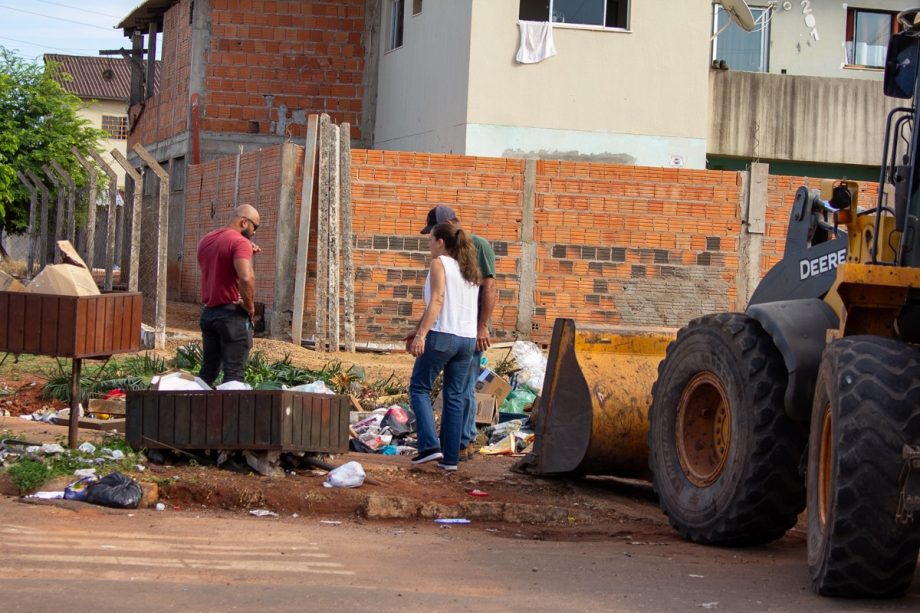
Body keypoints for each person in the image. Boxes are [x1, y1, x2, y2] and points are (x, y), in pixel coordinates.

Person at [420, 205, 497, 461]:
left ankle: (460, 443)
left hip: (462, 331)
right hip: (463, 333)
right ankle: (451, 454)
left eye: (434, 233)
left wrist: (482, 326)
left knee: (454, 390)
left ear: (448, 226)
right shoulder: (452, 259)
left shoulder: (469, 250)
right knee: (456, 392)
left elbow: (489, 287)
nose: (432, 239)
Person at [406, 222, 482, 471]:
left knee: (419, 387)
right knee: (455, 397)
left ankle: (428, 446)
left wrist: (422, 336)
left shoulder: (440, 264)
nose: (429, 246)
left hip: (442, 336)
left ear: (441, 242)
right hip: (466, 341)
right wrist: (418, 329)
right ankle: (450, 459)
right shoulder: (469, 269)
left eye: (431, 240)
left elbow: (437, 300)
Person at [196, 204, 262, 386]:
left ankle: (192, 410)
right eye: (255, 226)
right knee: (234, 375)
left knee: (207, 373)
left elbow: (221, 268)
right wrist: (249, 306)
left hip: (209, 314)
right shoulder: (240, 243)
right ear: (244, 222)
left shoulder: (207, 239)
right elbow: (246, 278)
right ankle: (231, 414)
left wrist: (246, 251)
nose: (255, 232)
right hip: (231, 316)